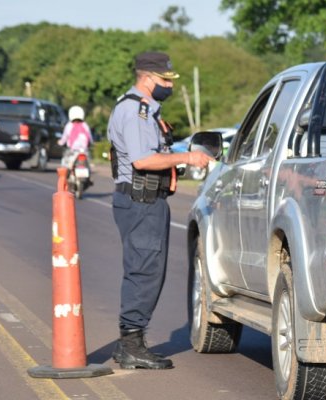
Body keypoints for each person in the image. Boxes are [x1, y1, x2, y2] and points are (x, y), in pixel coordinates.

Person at [107, 51, 213, 370]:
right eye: (166, 79)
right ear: (148, 78)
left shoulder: (147, 111)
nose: (169, 84)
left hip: (146, 200)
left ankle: (132, 342)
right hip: (141, 202)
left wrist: (174, 161)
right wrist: (187, 159)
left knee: (147, 270)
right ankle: (131, 346)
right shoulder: (137, 111)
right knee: (144, 271)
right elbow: (142, 160)